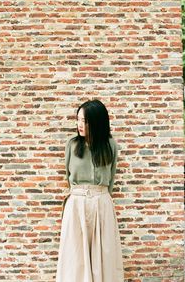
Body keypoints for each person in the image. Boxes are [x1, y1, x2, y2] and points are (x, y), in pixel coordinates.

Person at [56, 99, 124, 282]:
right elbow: (68, 175)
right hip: (76, 203)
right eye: (78, 119)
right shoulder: (71, 144)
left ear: (97, 122)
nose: (80, 124)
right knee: (74, 258)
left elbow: (111, 178)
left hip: (102, 203)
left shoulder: (110, 145)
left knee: (104, 257)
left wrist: (99, 196)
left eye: (85, 121)